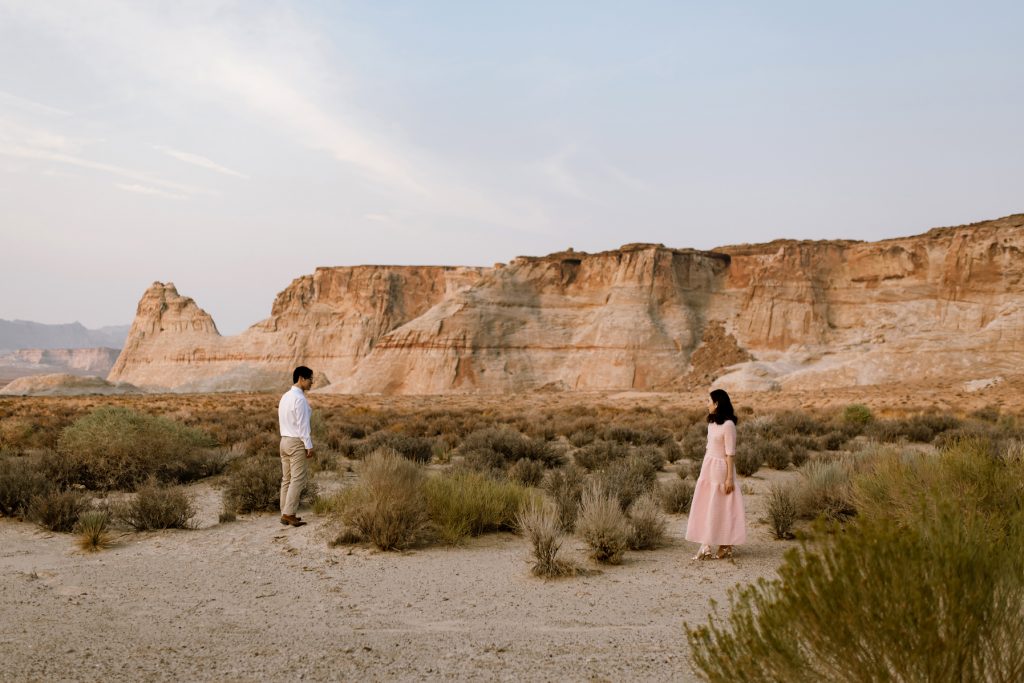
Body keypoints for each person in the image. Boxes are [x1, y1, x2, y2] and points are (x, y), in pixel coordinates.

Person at [685, 388, 746, 560]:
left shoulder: (728, 425)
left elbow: (730, 453)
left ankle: (723, 544)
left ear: (717, 403)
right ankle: (707, 544)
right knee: (706, 504)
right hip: (708, 466)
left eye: (709, 401)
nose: (707, 404)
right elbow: (708, 448)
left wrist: (729, 478)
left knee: (720, 506)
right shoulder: (711, 424)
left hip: (721, 468)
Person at [278, 366, 314, 527]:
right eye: (310, 379)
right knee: (297, 479)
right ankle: (289, 513)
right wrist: (309, 445)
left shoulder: (285, 396)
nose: (312, 382)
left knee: (286, 479)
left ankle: (285, 512)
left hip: (284, 441)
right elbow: (302, 425)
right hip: (295, 442)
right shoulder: (299, 399)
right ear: (301, 378)